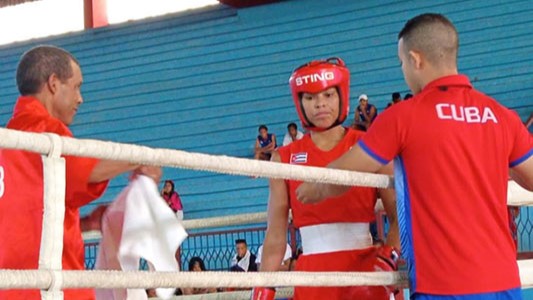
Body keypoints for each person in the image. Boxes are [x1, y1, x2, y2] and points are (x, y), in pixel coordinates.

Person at [296, 14, 533, 300]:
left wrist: (310, 187)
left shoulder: (403, 117)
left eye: (401, 63)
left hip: (444, 285)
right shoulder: (501, 116)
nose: (404, 71)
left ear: (415, 59)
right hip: (504, 282)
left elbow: (341, 177)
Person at [0, 45, 162, 300]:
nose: (80, 98)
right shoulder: (44, 131)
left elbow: (30, 215)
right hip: (50, 289)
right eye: (76, 86)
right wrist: (140, 158)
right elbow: (86, 171)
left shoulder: (9, 139)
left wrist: (85, 223)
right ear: (53, 84)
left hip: (13, 288)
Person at [253, 57, 400, 300]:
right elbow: (276, 234)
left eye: (328, 95)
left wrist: (388, 259)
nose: (320, 105)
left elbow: (400, 216)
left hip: (365, 270)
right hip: (313, 275)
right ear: (300, 102)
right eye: (310, 98)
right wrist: (262, 288)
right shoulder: (284, 157)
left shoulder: (369, 145)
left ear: (341, 96)